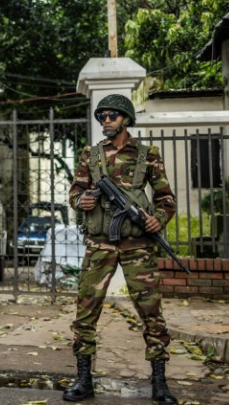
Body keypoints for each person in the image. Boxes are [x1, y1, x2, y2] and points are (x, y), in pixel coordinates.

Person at [65, 94, 177, 404]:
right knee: (85, 314)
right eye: (101, 116)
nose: (105, 120)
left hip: (138, 246)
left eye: (111, 115)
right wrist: (81, 201)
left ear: (126, 119)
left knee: (152, 314)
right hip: (99, 245)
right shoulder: (91, 154)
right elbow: (75, 192)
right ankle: (84, 380)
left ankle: (159, 383)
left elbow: (165, 198)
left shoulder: (146, 154)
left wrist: (158, 219)